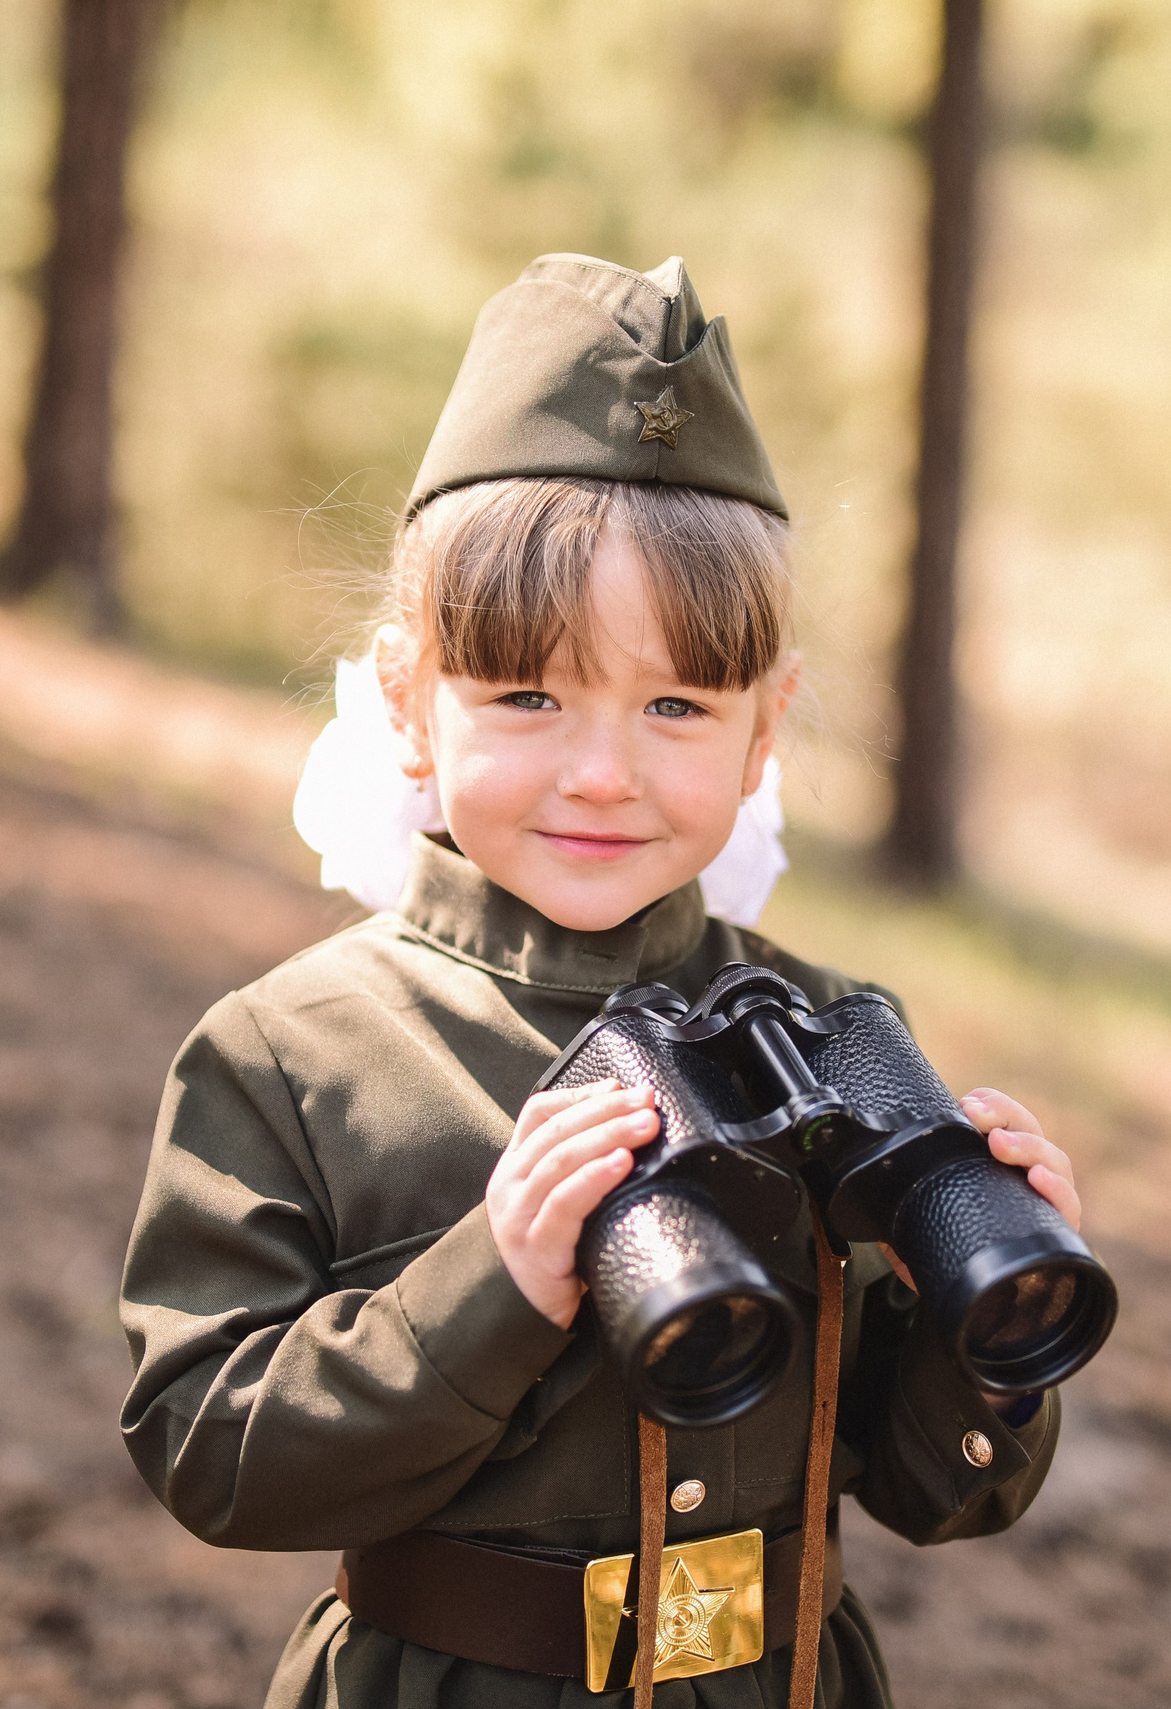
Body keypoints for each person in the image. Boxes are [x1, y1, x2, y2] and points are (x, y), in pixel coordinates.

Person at [119, 253, 1083, 1709]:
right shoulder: (293, 1055)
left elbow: (934, 1488)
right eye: (527, 693)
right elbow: (208, 1449)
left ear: (768, 728)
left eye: (677, 705)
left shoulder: (823, 1040)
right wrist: (485, 1285)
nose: (600, 772)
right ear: (407, 700)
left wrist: (995, 1335)